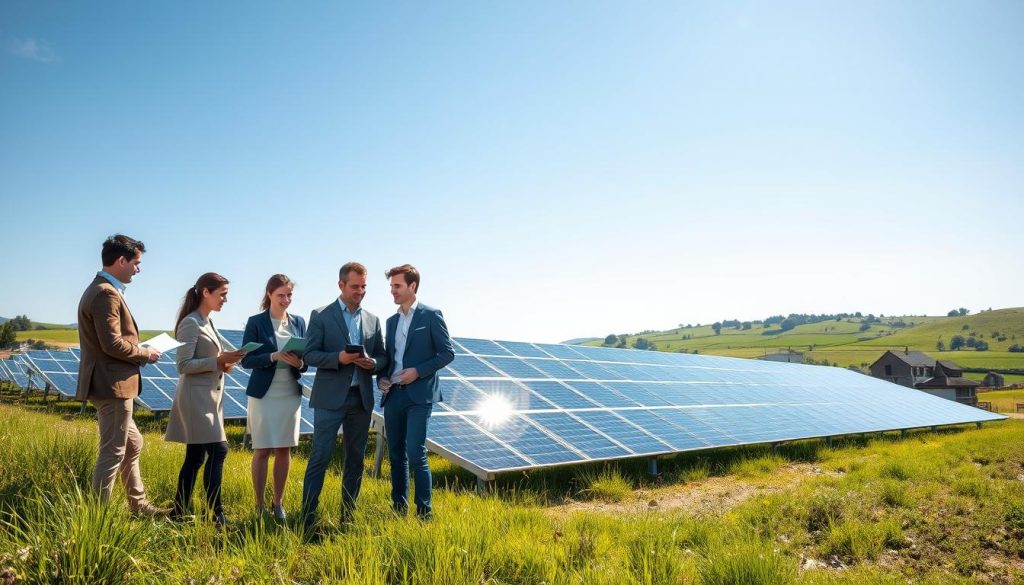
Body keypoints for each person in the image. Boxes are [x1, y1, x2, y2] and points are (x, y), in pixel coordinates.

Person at [75, 234, 167, 516]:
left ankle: (138, 505)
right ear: (121, 261)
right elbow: (111, 343)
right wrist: (144, 353)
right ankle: (96, 518)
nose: (138, 269)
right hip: (111, 384)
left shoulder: (102, 289)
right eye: (136, 263)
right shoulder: (105, 293)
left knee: (132, 443)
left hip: (109, 382)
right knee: (113, 451)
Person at [300, 262, 387, 531]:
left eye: (364, 287)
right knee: (320, 457)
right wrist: (338, 357)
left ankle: (347, 519)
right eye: (354, 287)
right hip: (329, 399)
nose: (360, 291)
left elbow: (383, 356)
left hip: (360, 400)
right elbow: (309, 354)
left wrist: (373, 363)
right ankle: (307, 519)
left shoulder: (373, 320)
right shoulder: (321, 315)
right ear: (340, 285)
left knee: (356, 460)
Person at [164, 272, 245, 526]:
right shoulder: (191, 323)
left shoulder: (207, 321)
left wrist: (227, 360)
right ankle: (217, 514)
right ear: (206, 293)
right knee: (219, 450)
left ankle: (179, 510)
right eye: (222, 294)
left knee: (196, 456)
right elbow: (183, 364)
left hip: (210, 398)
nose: (225, 300)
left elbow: (212, 358)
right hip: (196, 399)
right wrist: (217, 361)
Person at [378, 264, 454, 520]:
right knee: (396, 454)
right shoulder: (390, 321)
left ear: (412, 286)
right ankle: (398, 509)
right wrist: (382, 378)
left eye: (397, 286)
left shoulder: (431, 316)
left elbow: (447, 353)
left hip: (419, 396)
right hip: (394, 395)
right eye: (391, 286)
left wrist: (417, 372)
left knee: (415, 453)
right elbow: (388, 358)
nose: (392, 291)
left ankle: (425, 513)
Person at [241, 274, 306, 520]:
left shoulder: (299, 322)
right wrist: (272, 357)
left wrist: (299, 363)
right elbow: (246, 360)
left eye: (289, 295)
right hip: (263, 394)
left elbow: (306, 361)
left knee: (283, 449)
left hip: (289, 392)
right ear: (269, 294)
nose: (286, 300)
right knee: (262, 449)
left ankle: (277, 504)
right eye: (281, 295)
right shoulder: (256, 322)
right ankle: (259, 506)